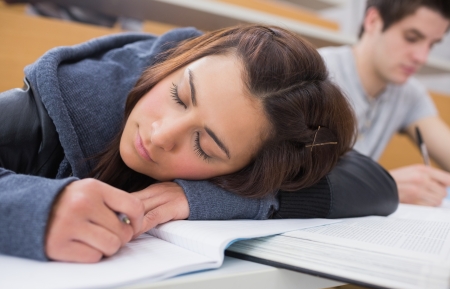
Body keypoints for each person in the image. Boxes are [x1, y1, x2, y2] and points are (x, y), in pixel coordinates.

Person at [0, 24, 398, 263]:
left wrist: (206, 198)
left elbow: (374, 184)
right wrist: (34, 210)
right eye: (178, 96)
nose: (159, 135)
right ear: (179, 63)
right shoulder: (45, 112)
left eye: (206, 147)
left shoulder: (260, 139)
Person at [318, 0, 450, 207]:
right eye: (412, 38)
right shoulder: (316, 75)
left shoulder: (408, 93)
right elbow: (287, 178)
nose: (422, 57)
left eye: (432, 44)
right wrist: (386, 184)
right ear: (373, 21)